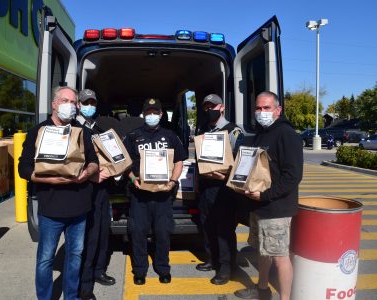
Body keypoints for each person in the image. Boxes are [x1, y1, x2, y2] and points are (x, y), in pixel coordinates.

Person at [18, 86, 99, 300]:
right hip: (51, 209)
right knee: (45, 259)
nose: (70, 106)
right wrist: (47, 178)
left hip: (79, 208)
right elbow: (23, 168)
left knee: (75, 256)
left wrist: (86, 173)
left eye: (73, 103)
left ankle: (71, 296)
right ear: (54, 104)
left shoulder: (82, 132)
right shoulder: (38, 131)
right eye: (65, 101)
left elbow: (94, 162)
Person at [234, 91, 303, 300]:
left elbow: (293, 176)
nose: (261, 112)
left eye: (267, 108)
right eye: (258, 108)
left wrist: (265, 195)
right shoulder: (260, 134)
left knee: (280, 257)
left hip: (276, 208)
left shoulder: (286, 135)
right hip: (259, 206)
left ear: (278, 110)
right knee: (262, 251)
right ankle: (262, 289)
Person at [124, 98, 188, 285]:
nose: (151, 115)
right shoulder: (133, 136)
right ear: (143, 114)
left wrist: (173, 181)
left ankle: (163, 268)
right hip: (139, 195)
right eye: (148, 112)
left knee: (162, 232)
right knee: (138, 233)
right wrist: (132, 178)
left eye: (155, 112)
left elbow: (179, 161)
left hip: (163, 195)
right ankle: (140, 270)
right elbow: (123, 161)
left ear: (161, 114)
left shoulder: (170, 136)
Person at [195, 94, 243, 285]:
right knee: (208, 226)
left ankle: (226, 268)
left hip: (224, 188)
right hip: (206, 187)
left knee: (224, 229)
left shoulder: (233, 131)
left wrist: (223, 175)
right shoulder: (205, 130)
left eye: (212, 107)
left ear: (221, 107)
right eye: (206, 107)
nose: (209, 110)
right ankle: (212, 259)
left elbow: (239, 162)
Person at [76, 89, 116, 300]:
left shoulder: (99, 128)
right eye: (86, 102)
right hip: (84, 189)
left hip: (103, 189)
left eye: (93, 101)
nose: (89, 105)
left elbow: (111, 156)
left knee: (102, 231)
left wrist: (113, 170)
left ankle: (99, 270)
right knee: (88, 236)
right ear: (78, 105)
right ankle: (85, 283)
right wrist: (91, 176)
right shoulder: (73, 129)